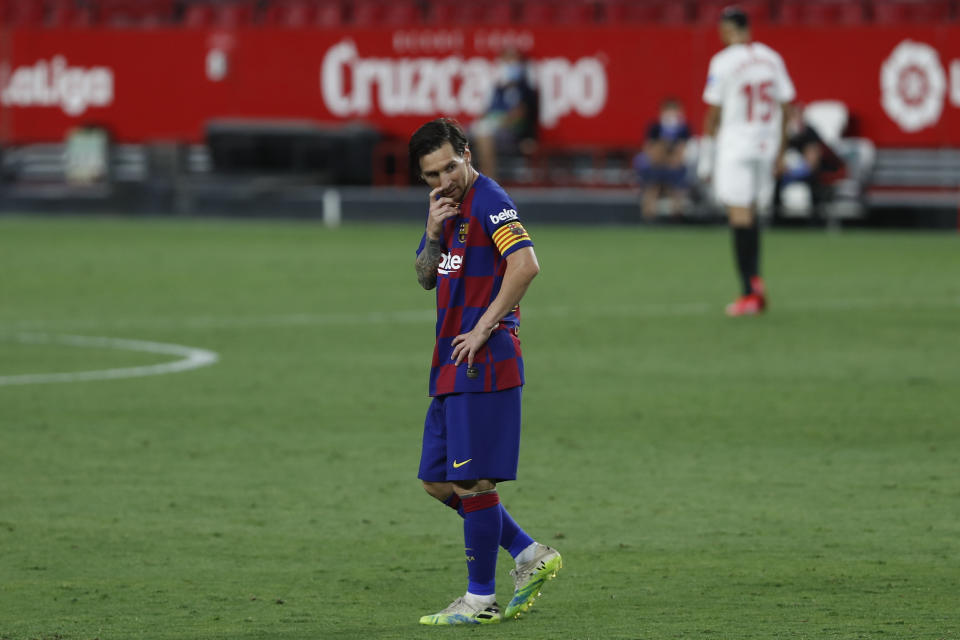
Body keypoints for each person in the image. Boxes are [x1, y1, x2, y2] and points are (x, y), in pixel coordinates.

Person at [409, 118, 561, 625]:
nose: (443, 180)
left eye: (450, 167)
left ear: (467, 154)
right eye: (432, 175)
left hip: (483, 360)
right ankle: (527, 553)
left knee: (473, 482)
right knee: (437, 481)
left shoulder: (491, 200)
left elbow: (526, 265)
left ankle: (479, 601)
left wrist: (482, 328)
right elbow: (426, 277)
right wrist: (431, 232)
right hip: (450, 363)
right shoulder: (444, 210)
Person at [698, 6, 796, 316]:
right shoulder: (772, 57)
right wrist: (781, 151)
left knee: (739, 216)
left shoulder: (724, 61)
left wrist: (706, 157)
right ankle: (755, 283)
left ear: (729, 30)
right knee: (751, 215)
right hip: (765, 146)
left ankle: (748, 292)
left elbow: (713, 112)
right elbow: (786, 107)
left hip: (737, 145)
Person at [470, 49, 539, 182]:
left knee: (485, 136)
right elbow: (485, 112)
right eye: (506, 62)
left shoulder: (524, 89)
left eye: (513, 62)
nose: (509, 66)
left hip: (512, 134)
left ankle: (489, 182)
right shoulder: (498, 89)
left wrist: (497, 122)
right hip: (494, 128)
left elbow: (520, 116)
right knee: (457, 135)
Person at [634, 98, 692, 220]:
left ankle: (677, 216)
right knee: (651, 185)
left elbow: (682, 152)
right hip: (656, 165)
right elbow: (650, 151)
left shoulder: (684, 129)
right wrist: (663, 150)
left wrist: (671, 158)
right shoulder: (655, 127)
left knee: (678, 186)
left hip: (674, 167)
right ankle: (649, 217)